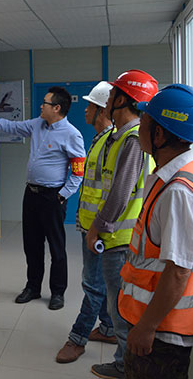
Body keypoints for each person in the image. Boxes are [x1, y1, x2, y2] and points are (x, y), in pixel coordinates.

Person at [118, 84, 193, 379]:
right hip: (157, 320)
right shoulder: (181, 173)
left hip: (161, 331)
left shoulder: (178, 191)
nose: (139, 129)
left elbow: (179, 271)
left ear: (159, 135)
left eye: (144, 122)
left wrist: (147, 327)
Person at [0, 86, 85, 310]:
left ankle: (57, 292)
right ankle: (33, 287)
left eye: (45, 103)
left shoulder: (72, 134)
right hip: (31, 195)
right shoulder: (37, 124)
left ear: (57, 108)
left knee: (56, 248)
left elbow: (79, 172)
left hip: (53, 197)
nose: (41, 106)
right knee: (32, 245)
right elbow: (11, 126)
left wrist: (62, 195)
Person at [88, 70, 158, 379]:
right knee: (118, 304)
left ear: (122, 101)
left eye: (112, 95)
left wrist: (97, 227)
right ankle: (125, 362)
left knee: (121, 308)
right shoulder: (122, 136)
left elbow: (120, 193)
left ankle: (125, 366)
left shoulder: (131, 140)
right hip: (120, 237)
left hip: (120, 239)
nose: (105, 102)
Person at [56, 81, 118, 363]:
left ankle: (77, 338)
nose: (85, 110)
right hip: (91, 226)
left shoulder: (113, 142)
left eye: (90, 106)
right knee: (99, 283)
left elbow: (114, 192)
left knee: (92, 285)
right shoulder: (99, 139)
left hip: (100, 230)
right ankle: (108, 328)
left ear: (103, 110)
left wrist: (96, 228)